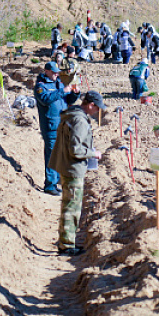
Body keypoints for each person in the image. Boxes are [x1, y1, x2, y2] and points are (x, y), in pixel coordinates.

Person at [51, 91, 105, 255]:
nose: (97, 111)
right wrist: (93, 154)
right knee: (72, 207)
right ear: (90, 105)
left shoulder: (71, 114)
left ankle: (65, 241)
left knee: (68, 204)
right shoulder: (80, 120)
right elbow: (76, 149)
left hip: (66, 165)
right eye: (97, 108)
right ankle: (66, 245)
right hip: (73, 168)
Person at [34, 62, 80, 196]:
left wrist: (75, 93)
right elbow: (46, 100)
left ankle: (57, 181)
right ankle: (49, 185)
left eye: (57, 72)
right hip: (50, 126)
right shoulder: (40, 87)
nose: (56, 74)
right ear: (46, 71)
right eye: (53, 72)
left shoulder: (59, 83)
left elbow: (68, 100)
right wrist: (62, 91)